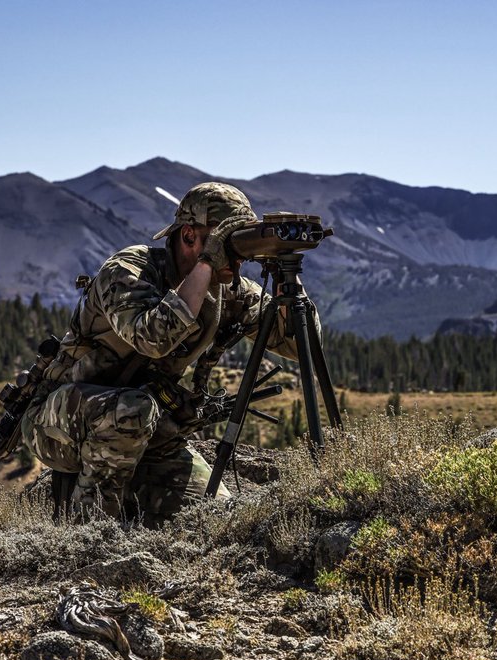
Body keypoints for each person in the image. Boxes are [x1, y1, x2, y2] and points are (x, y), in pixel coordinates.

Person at [22, 182, 314, 524]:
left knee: (215, 517)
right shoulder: (128, 272)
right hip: (58, 423)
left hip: (148, 432)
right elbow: (153, 339)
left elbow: (302, 345)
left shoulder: (228, 290)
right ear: (188, 235)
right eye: (223, 240)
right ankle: (89, 532)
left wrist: (286, 277)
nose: (235, 258)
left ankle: (129, 488)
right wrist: (208, 262)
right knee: (133, 409)